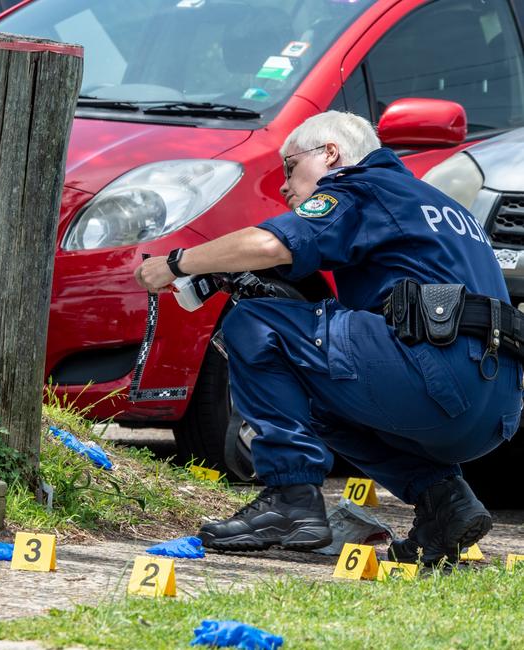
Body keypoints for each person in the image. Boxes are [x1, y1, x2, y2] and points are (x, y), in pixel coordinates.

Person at [134, 111, 523, 564]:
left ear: (331, 154)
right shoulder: (438, 204)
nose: (284, 187)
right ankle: (445, 504)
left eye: (290, 169)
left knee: (253, 323)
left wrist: (177, 263)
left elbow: (271, 245)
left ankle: (289, 497)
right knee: (312, 393)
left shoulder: (360, 186)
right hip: (498, 406)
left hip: (435, 375)